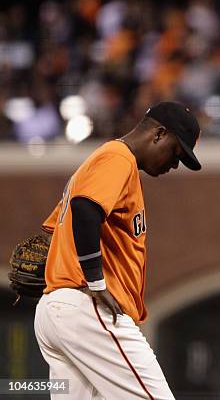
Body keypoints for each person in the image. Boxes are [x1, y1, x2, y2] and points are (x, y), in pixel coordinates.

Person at [34, 101, 202, 399]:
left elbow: (60, 228)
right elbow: (84, 209)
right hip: (89, 308)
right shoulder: (118, 157)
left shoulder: (103, 161)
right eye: (176, 153)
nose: (174, 164)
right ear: (159, 134)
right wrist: (95, 281)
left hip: (60, 309)